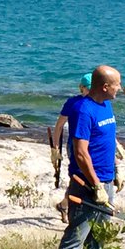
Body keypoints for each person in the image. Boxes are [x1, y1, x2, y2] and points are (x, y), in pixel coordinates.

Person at [54, 64, 122, 249]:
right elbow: (81, 153)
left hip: (106, 181)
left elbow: (106, 141)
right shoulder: (83, 110)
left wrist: (115, 170)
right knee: (75, 239)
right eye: (117, 84)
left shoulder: (107, 105)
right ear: (104, 86)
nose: (120, 88)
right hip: (86, 185)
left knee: (98, 239)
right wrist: (95, 185)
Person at [50, 72, 92, 221]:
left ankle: (64, 204)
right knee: (78, 177)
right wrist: (55, 148)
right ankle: (69, 206)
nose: (90, 91)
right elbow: (59, 126)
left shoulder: (99, 103)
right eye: (88, 88)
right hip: (75, 145)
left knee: (89, 178)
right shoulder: (73, 103)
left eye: (93, 88)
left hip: (93, 146)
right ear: (82, 88)